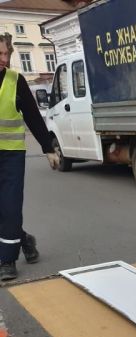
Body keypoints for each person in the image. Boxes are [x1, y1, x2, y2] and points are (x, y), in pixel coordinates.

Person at [0, 34, 60, 281]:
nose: (4, 59)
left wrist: (48, 147)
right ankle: (24, 239)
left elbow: (33, 116)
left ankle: (7, 260)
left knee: (10, 207)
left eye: (6, 53)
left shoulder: (16, 80)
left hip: (11, 156)